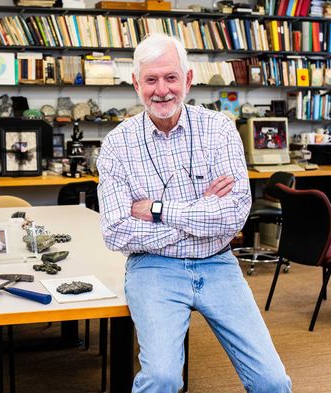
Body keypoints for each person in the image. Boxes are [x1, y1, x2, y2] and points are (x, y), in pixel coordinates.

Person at [96, 33, 291, 393]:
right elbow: (116, 232)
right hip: (153, 267)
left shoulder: (218, 130)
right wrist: (202, 213)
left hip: (218, 263)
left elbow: (233, 216)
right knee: (162, 379)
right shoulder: (116, 145)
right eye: (151, 80)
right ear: (137, 84)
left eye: (170, 78)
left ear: (187, 79)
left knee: (273, 381)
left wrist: (156, 210)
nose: (162, 90)